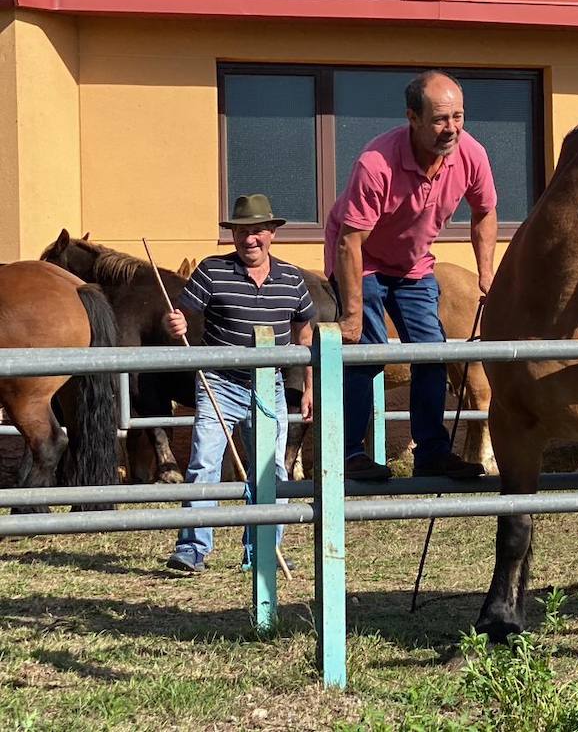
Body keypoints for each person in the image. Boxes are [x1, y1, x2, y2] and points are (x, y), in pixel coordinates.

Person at [325, 70, 497, 481]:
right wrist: (350, 314)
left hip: (414, 264)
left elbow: (485, 211)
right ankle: (350, 455)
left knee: (432, 353)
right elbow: (351, 241)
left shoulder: (470, 154)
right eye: (440, 119)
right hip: (360, 259)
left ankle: (432, 451)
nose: (451, 128)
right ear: (412, 117)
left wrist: (486, 274)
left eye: (458, 116)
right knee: (365, 353)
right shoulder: (376, 163)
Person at [164, 194, 316, 573]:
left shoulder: (293, 279)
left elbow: (306, 335)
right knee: (203, 463)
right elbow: (181, 316)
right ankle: (193, 549)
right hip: (219, 384)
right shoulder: (211, 271)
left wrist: (309, 387)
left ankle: (261, 548)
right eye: (242, 232)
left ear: (271, 234)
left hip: (272, 389)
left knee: (273, 471)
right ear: (233, 236)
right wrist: (176, 324)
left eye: (257, 231)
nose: (250, 239)